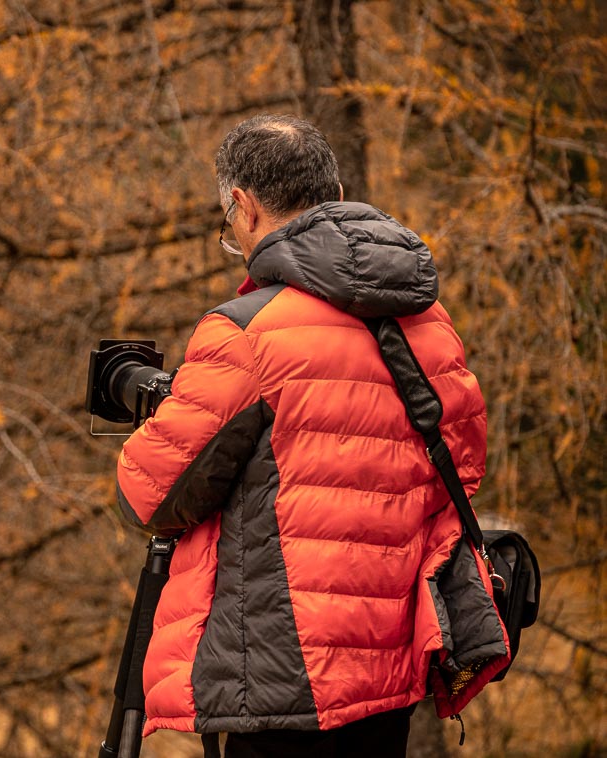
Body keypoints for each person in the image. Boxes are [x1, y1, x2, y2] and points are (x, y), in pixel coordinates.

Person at [115, 114, 510, 757]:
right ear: (335, 190)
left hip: (279, 680)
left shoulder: (245, 334)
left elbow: (149, 496)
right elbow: (460, 471)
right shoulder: (431, 326)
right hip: (392, 669)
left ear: (242, 208)